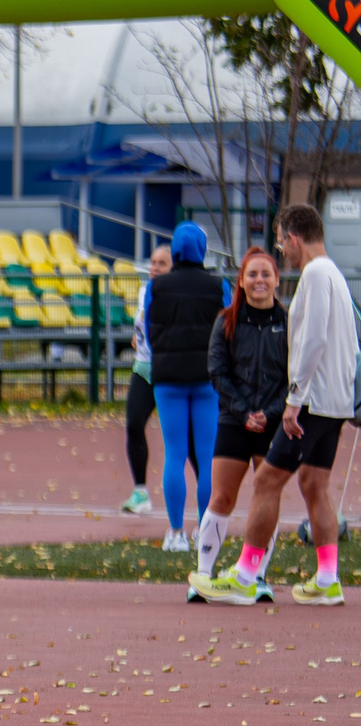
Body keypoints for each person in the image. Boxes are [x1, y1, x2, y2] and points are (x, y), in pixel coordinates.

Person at [194, 203, 355, 608]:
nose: (283, 250)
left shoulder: (315, 275)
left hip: (312, 404)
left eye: (282, 242)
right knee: (313, 484)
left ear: (294, 237)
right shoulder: (335, 273)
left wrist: (294, 400)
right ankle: (328, 577)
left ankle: (246, 575)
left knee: (266, 481)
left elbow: (312, 341)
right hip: (333, 403)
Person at [189, 247, 287, 598]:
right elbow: (218, 371)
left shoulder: (289, 322)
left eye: (266, 274)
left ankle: (256, 576)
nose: (259, 280)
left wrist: (269, 412)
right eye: (252, 274)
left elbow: (296, 376)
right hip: (234, 420)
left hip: (273, 425)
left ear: (276, 279)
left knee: (267, 497)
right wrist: (244, 410)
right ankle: (202, 576)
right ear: (241, 281)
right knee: (223, 497)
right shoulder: (226, 320)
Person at [147, 221, 227, 551]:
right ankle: (205, 532)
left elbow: (149, 326)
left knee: (175, 454)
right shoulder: (218, 285)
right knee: (207, 457)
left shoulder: (157, 286)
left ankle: (176, 533)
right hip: (208, 378)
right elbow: (229, 328)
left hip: (168, 376)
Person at [120, 242, 174, 515]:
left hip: (170, 371)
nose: (154, 268)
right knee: (133, 424)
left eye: (161, 263)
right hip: (144, 368)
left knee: (181, 437)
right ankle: (140, 491)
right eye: (153, 262)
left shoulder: (177, 294)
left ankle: (207, 494)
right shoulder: (145, 290)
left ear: (174, 268)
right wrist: (137, 337)